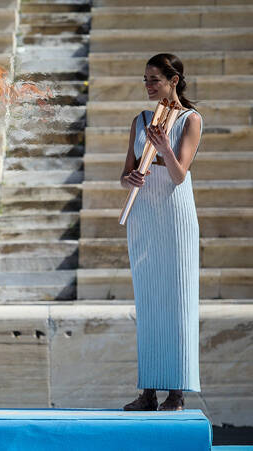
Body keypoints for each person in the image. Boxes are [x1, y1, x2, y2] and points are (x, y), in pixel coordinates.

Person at [120, 53, 203, 411]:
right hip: (144, 214)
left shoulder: (190, 119)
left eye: (155, 79)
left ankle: (178, 392)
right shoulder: (140, 120)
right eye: (146, 80)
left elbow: (179, 173)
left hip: (175, 213)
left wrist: (164, 146)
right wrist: (131, 177)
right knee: (149, 302)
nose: (149, 86)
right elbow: (125, 174)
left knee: (178, 300)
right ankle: (148, 391)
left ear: (174, 79)